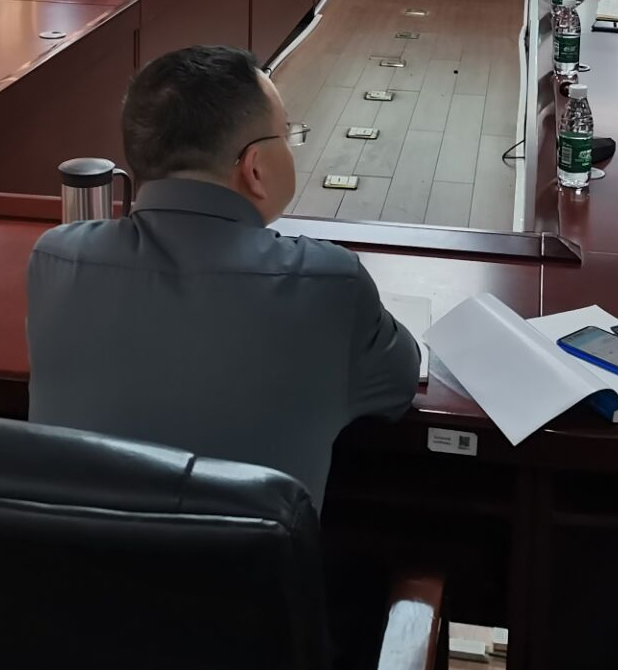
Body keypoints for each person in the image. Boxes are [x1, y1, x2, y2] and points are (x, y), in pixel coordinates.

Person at [26, 44, 419, 510]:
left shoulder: (56, 259)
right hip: (248, 559)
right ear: (254, 168)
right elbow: (399, 384)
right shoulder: (331, 284)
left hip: (75, 556)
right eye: (286, 134)